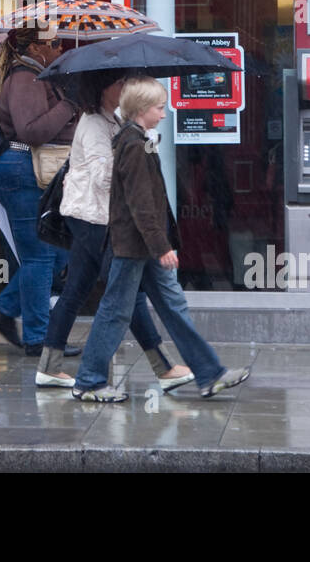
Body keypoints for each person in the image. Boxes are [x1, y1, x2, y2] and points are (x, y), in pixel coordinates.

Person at [72, 76, 250, 402]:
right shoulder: (133, 145)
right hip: (134, 245)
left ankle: (209, 374)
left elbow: (149, 192)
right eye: (159, 107)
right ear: (141, 109)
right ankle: (89, 381)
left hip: (141, 244)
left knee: (173, 306)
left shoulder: (139, 139)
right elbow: (142, 204)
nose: (165, 113)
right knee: (116, 312)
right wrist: (162, 247)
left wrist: (152, 140)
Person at [34, 72, 194, 391]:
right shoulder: (94, 123)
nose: (125, 88)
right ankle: (161, 366)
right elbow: (103, 177)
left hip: (94, 216)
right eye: (119, 84)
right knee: (127, 290)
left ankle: (48, 366)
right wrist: (134, 171)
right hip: (93, 218)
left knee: (77, 290)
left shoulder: (111, 119)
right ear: (103, 88)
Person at [0, 23, 82, 356]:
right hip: (22, 170)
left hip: (28, 171)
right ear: (36, 48)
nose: (59, 47)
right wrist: (69, 104)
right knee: (40, 255)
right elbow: (32, 130)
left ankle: (7, 307)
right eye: (53, 42)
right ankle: (39, 339)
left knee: (58, 249)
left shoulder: (34, 74)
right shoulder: (25, 77)